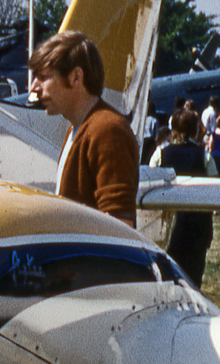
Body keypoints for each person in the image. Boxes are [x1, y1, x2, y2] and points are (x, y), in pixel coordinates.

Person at [28, 30, 138, 227]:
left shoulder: (107, 130)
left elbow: (120, 228)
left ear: (76, 77)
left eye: (43, 77)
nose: (33, 89)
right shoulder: (78, 129)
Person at [150, 109, 217, 287]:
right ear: (195, 129)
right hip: (197, 222)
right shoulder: (205, 156)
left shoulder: (160, 154)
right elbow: (213, 189)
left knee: (167, 271)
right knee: (194, 273)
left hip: (168, 223)